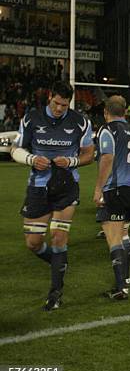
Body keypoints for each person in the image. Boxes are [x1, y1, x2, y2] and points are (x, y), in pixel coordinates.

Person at [10, 81, 94, 310]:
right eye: (57, 103)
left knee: (58, 237)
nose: (59, 109)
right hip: (38, 187)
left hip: (67, 187)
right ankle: (59, 263)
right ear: (50, 97)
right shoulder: (31, 118)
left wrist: (71, 161)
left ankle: (55, 292)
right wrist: (31, 159)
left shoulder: (80, 122)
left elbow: (89, 154)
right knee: (33, 243)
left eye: (64, 105)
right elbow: (15, 149)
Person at [94, 96, 130, 300]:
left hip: (115, 189)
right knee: (124, 234)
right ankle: (126, 278)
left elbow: (107, 157)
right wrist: (129, 179)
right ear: (124, 111)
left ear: (106, 112)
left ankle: (120, 288)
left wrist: (99, 188)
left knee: (113, 238)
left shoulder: (107, 130)